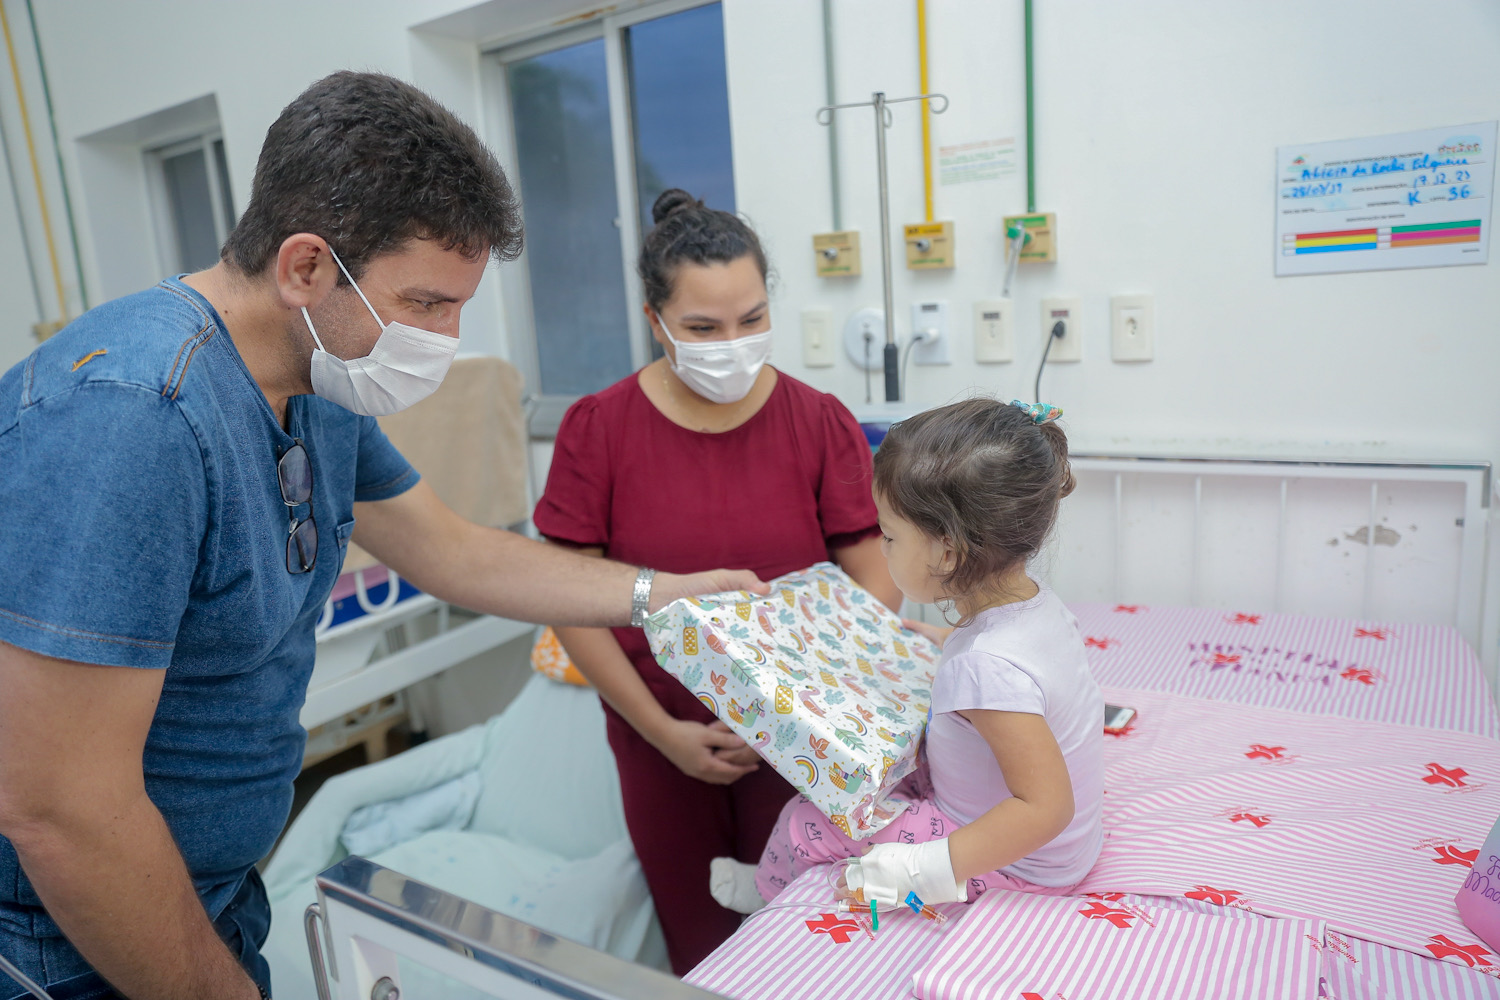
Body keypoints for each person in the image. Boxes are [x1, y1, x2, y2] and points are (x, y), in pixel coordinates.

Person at [0, 75, 762, 1000]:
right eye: (427, 304)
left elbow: (453, 552)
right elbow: (60, 810)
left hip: (210, 892)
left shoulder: (316, 384)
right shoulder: (134, 416)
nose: (447, 338)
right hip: (61, 938)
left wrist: (660, 594)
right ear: (306, 268)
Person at [533, 188, 901, 973]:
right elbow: (568, 598)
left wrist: (801, 705)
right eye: (703, 328)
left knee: (812, 945)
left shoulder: (818, 421)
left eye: (751, 319)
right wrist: (662, 732)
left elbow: (874, 573)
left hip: (804, 738)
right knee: (701, 949)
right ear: (654, 319)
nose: (731, 344)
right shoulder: (599, 429)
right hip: (661, 735)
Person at [711, 397, 1104, 913]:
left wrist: (918, 872)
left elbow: (1047, 808)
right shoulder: (1033, 608)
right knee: (893, 763)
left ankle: (761, 895)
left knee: (806, 820)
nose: (882, 546)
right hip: (1051, 847)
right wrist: (946, 642)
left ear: (946, 552)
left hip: (1024, 865)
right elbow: (1022, 675)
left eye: (890, 535)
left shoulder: (986, 668)